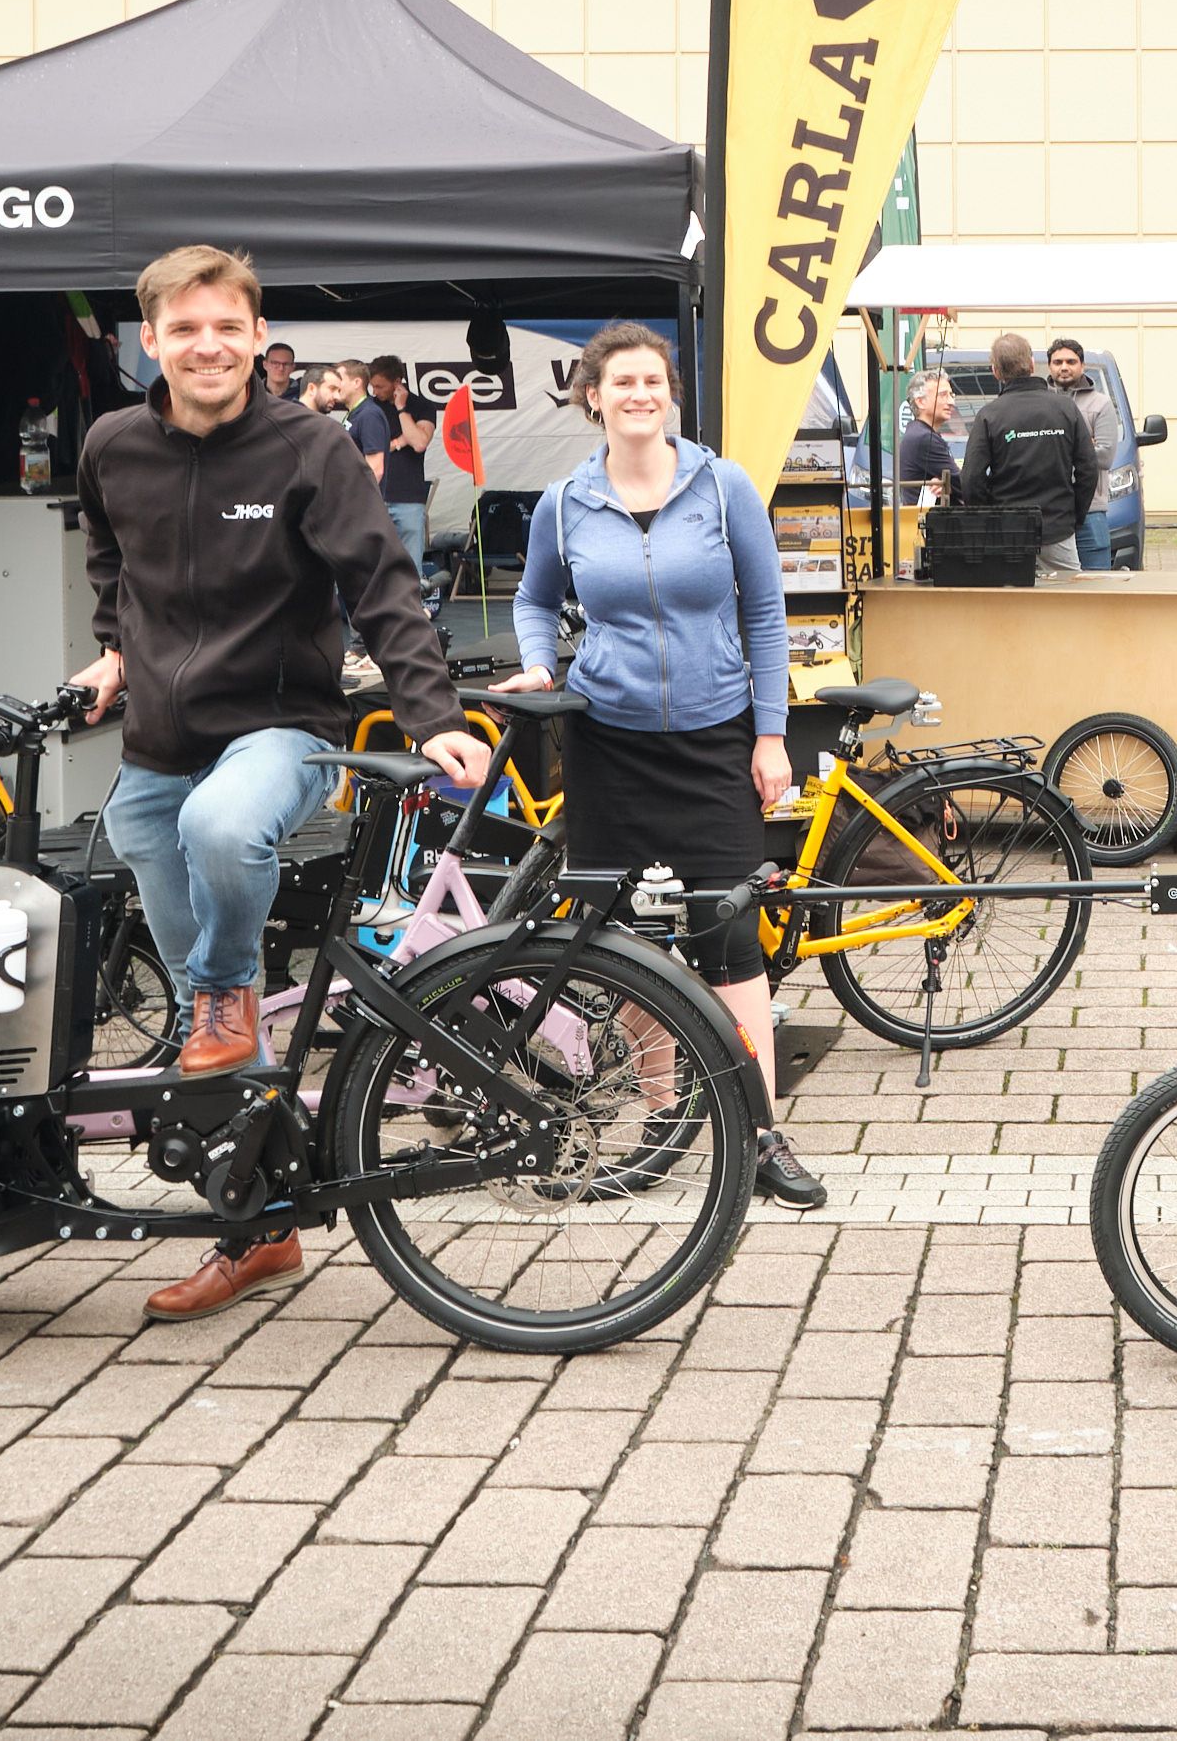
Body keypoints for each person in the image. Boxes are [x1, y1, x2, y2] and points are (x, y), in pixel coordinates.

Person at [70, 246, 487, 1323]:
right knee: (153, 859)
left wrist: (435, 717)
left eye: (228, 326)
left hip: (282, 726)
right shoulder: (113, 444)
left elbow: (382, 584)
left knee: (221, 850)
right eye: (184, 327)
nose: (207, 344)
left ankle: (222, 994)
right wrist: (114, 650)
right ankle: (257, 1227)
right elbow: (109, 558)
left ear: (259, 340)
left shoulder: (308, 448)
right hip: (158, 738)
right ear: (149, 340)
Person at [498, 322, 823, 1209]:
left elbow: (764, 613)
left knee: (729, 935)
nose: (640, 394)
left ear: (668, 393)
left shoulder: (723, 488)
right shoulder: (564, 503)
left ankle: (758, 1132)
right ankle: (657, 1120)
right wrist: (538, 660)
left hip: (716, 737)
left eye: (653, 381)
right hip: (608, 741)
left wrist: (768, 733)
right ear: (592, 396)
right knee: (629, 941)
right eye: (622, 382)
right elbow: (534, 597)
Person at [952, 333, 1095, 577]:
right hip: (1059, 527)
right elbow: (1089, 470)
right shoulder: (1065, 408)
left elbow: (971, 478)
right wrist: (1073, 516)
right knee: (1069, 604)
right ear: (1031, 365)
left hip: (1007, 530)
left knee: (1009, 602)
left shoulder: (989, 415)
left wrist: (991, 517)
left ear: (995, 371)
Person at [350, 355, 436, 592]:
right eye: (372, 386)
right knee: (370, 565)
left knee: (410, 570)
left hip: (408, 496)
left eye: (380, 386)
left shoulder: (421, 406)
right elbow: (358, 450)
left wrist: (401, 408)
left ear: (397, 382)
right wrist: (399, 441)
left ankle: (410, 620)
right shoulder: (366, 409)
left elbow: (419, 442)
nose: (375, 391)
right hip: (372, 495)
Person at [1047, 339, 1122, 558]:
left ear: (1082, 365)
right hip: (1049, 509)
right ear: (1049, 366)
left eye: (1071, 361)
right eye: (1058, 362)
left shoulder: (1101, 404)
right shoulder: (1040, 403)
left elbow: (1106, 456)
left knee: (1096, 582)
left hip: (1091, 509)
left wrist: (1057, 448)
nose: (1064, 367)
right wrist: (1084, 445)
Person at [894, 371, 961, 502]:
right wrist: (952, 485)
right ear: (920, 402)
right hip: (928, 520)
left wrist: (949, 484)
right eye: (943, 395)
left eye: (951, 395)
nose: (951, 402)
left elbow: (955, 479)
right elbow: (962, 482)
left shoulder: (918, 433)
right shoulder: (923, 438)